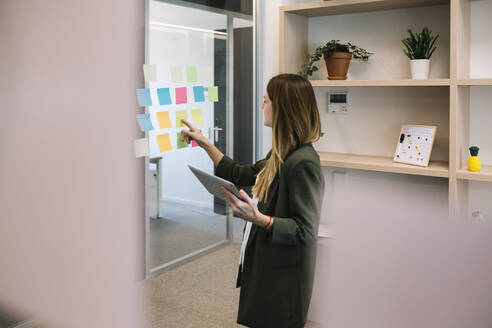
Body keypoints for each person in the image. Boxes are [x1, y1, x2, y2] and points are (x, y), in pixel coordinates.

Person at [180, 73, 325, 328]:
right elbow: (240, 174)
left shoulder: (303, 162)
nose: (262, 106)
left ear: (284, 108)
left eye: (266, 100)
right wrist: (204, 143)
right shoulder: (281, 152)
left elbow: (306, 231)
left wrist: (259, 218)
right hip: (266, 263)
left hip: (284, 274)